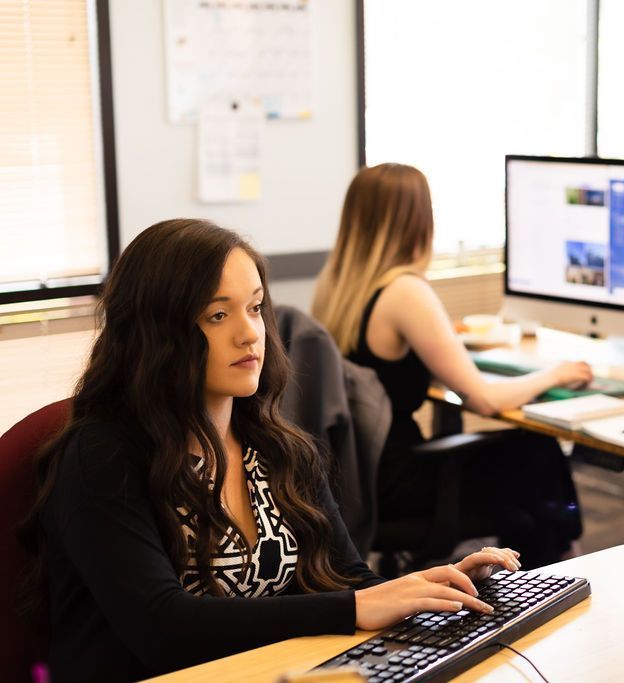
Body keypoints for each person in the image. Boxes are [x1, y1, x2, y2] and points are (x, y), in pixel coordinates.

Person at [20, 219, 520, 683]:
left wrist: (432, 588)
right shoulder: (101, 456)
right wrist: (354, 607)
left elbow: (347, 579)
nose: (250, 332)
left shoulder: (278, 447)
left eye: (255, 307)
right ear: (157, 333)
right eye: (218, 315)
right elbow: (162, 628)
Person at [312, 163, 592, 569]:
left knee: (531, 471)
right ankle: (558, 567)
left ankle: (546, 564)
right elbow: (484, 400)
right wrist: (557, 373)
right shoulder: (405, 290)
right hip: (403, 481)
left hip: (363, 477)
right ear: (418, 220)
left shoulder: (336, 287)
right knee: (538, 452)